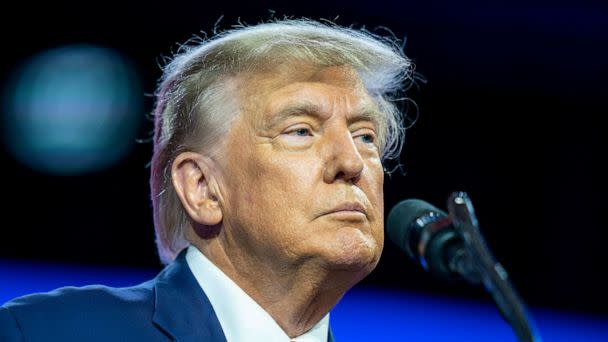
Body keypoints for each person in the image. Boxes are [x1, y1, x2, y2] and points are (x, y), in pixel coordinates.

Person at [0, 19, 413, 341]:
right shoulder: (41, 332)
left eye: (365, 136)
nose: (352, 162)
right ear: (201, 188)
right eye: (300, 130)